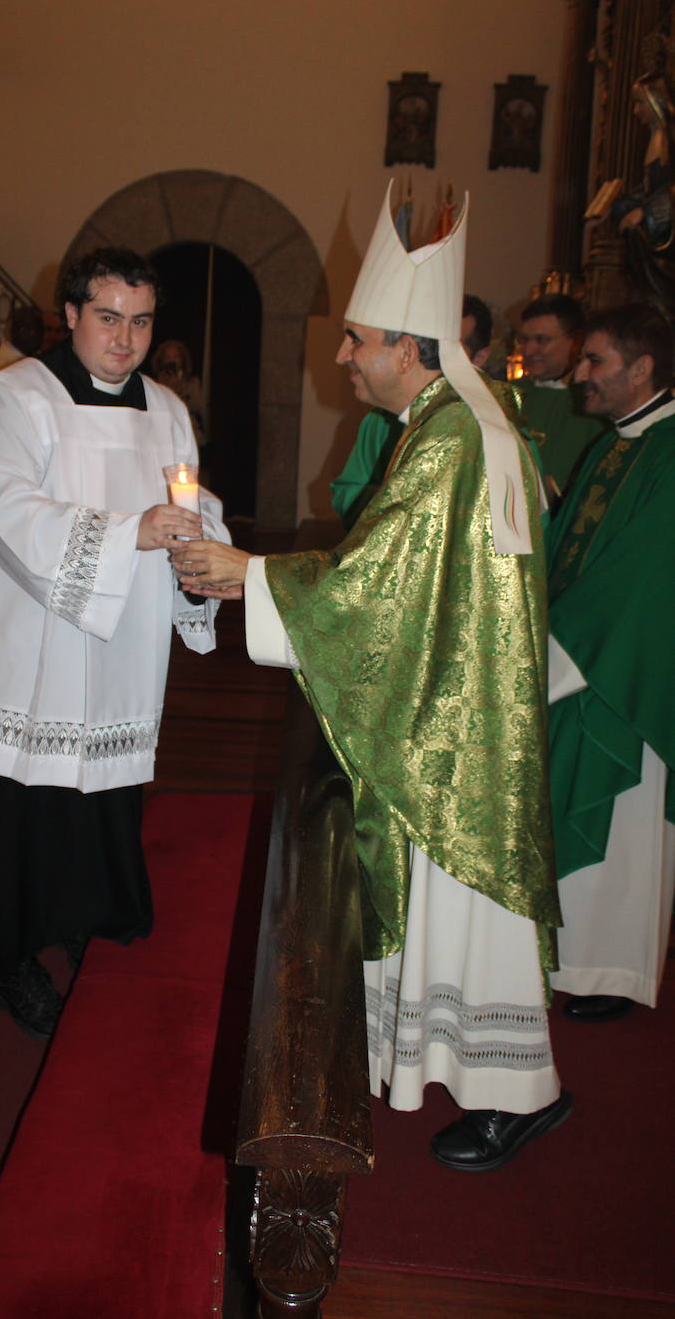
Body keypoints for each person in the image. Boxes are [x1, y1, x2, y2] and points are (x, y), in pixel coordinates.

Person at [178, 187, 570, 1171]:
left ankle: (519, 1093)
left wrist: (251, 574)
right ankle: (479, 1071)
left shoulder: (452, 440)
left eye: (358, 340)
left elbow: (379, 586)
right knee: (463, 915)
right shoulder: (465, 417)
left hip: (459, 726)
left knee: (473, 910)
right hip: (461, 701)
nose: (343, 357)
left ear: (412, 346)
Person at [0, 247, 230, 1040]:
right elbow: (6, 507)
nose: (125, 340)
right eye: (108, 318)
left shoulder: (167, 409)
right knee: (16, 794)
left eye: (141, 322)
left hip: (118, 637)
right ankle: (5, 954)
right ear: (69, 315)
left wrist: (202, 550)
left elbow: (188, 494)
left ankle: (82, 909)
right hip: (18, 632)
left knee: (92, 787)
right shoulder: (16, 395)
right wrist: (127, 533)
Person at [546, 303, 675, 1021]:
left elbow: (643, 579)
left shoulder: (671, 449)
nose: (580, 374)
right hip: (577, 657)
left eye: (595, 361)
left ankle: (614, 973)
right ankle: (576, 961)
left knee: (626, 825)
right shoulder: (610, 444)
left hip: (625, 671)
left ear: (643, 367)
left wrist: (558, 654)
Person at [330, 292, 495, 530]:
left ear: (407, 353)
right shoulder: (397, 419)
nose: (340, 357)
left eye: (357, 340)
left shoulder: (455, 436)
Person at [516, 293, 606, 503]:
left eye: (542, 340)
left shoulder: (594, 403)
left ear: (576, 341)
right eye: (524, 340)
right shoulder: (506, 394)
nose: (528, 350)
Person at [611, 70, 675, 320]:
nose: (636, 110)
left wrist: (645, 212)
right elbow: (651, 187)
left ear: (656, 100)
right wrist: (621, 204)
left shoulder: (670, 140)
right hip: (654, 236)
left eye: (640, 102)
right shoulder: (656, 138)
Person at [0, 304, 45, 378]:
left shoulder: (23, 359)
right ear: (22, 330)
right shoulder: (2, 366)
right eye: (38, 329)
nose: (42, 335)